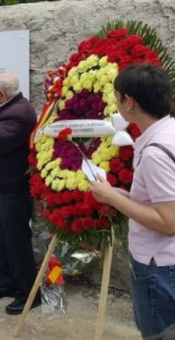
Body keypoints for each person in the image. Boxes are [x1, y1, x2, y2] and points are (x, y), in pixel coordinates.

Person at [89, 63, 175, 338]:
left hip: (159, 266)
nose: (116, 103)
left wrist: (113, 197)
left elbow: (168, 221)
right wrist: (124, 195)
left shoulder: (155, 153)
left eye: (117, 97)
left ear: (129, 102)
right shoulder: (168, 132)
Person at [0, 73, 38, 315]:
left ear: (1, 95)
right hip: (2, 183)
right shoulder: (12, 107)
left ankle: (29, 294)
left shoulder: (19, 113)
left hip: (14, 187)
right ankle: (7, 283)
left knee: (17, 242)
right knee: (3, 240)